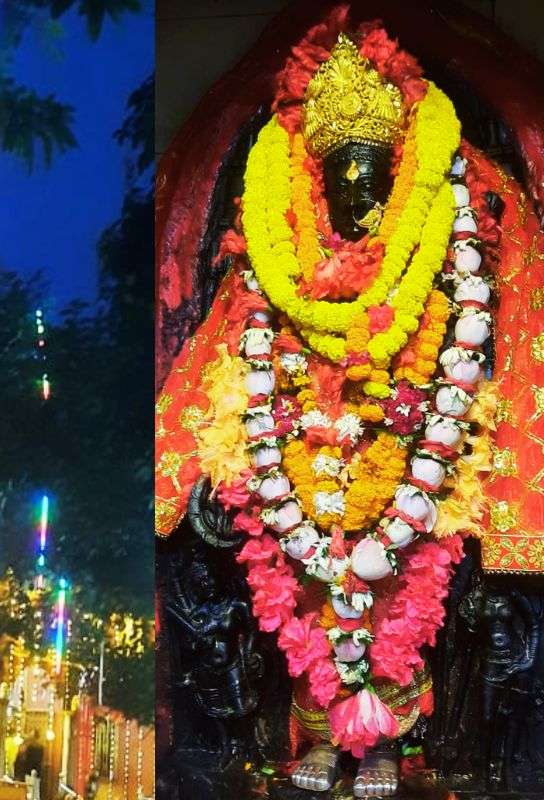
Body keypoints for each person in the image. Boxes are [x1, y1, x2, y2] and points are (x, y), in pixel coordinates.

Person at [154, 6, 544, 797]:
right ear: (315, 181)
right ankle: (325, 734)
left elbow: (485, 318)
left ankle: (391, 739)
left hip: (417, 427)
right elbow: (232, 340)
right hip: (301, 438)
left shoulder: (446, 228)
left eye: (372, 178)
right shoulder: (274, 248)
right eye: (344, 181)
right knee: (301, 580)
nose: (357, 199)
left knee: (404, 578)